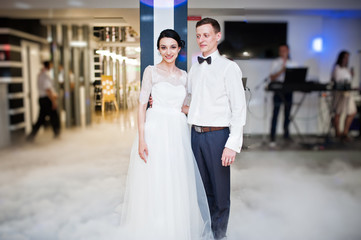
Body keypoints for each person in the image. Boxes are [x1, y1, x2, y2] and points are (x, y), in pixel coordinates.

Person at [120, 29, 212, 240]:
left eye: (172, 47)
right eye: (163, 47)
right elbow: (142, 106)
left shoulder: (185, 76)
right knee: (156, 178)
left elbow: (187, 106)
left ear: (179, 48)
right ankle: (154, 228)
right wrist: (142, 138)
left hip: (178, 132)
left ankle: (175, 227)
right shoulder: (150, 72)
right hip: (155, 130)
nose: (168, 52)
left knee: (176, 179)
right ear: (159, 49)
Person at [184, 18, 246, 240]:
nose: (201, 40)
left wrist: (232, 145)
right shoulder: (195, 68)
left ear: (217, 37)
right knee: (202, 191)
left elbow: (239, 109)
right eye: (198, 35)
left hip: (218, 136)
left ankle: (219, 236)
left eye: (206, 35)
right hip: (195, 135)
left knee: (220, 194)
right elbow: (189, 100)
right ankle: (207, 231)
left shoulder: (229, 68)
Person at [269, 44, 298, 147]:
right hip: (278, 89)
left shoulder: (293, 63)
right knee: (276, 113)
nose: (283, 52)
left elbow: (296, 77)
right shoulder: (276, 62)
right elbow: (272, 77)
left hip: (289, 89)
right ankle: (272, 136)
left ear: (288, 51)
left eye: (284, 50)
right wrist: (282, 69)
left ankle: (286, 134)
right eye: (281, 50)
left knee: (287, 114)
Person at [26, 61, 60, 141]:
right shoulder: (45, 75)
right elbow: (48, 90)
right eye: (51, 65)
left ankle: (31, 136)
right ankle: (57, 134)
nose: (52, 67)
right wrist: (53, 101)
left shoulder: (40, 74)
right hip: (46, 99)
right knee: (54, 117)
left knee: (41, 119)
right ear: (48, 66)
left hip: (42, 99)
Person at [331, 50, 356, 141]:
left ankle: (345, 132)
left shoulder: (347, 69)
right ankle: (338, 133)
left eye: (347, 57)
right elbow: (338, 81)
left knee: (352, 112)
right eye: (345, 57)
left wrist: (352, 75)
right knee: (338, 112)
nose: (346, 59)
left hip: (348, 93)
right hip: (339, 93)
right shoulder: (337, 68)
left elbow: (348, 81)